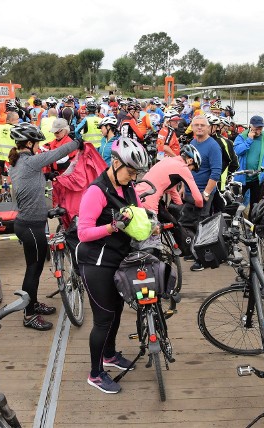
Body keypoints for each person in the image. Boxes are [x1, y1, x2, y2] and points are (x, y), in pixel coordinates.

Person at [77, 137, 150, 393]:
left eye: (136, 173)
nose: (133, 177)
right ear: (115, 163)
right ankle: (95, 374)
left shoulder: (128, 188)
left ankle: (109, 354)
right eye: (130, 172)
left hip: (119, 260)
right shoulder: (96, 191)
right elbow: (83, 232)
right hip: (95, 263)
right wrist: (112, 226)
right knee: (103, 318)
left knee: (117, 310)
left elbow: (139, 215)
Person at [8, 123, 81, 330]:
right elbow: (58, 153)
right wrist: (77, 142)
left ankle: (32, 303)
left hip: (28, 223)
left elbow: (29, 182)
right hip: (31, 226)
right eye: (37, 143)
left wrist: (46, 176)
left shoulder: (18, 163)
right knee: (33, 270)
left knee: (35, 268)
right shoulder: (30, 161)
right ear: (29, 143)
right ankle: (29, 314)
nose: (39, 146)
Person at [187, 115, 222, 272]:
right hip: (190, 190)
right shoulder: (192, 143)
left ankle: (201, 259)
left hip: (204, 191)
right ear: (192, 127)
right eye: (196, 125)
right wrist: (182, 186)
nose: (199, 127)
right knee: (190, 222)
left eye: (202, 125)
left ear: (208, 128)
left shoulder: (213, 146)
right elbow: (186, 167)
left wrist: (207, 193)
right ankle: (193, 251)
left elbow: (216, 172)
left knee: (202, 224)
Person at [233, 115, 264, 216]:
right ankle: (236, 225)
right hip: (241, 178)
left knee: (255, 205)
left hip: (257, 178)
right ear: (250, 126)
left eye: (260, 128)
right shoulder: (242, 136)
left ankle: (252, 225)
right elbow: (236, 151)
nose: (258, 130)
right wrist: (249, 140)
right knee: (237, 205)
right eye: (256, 128)